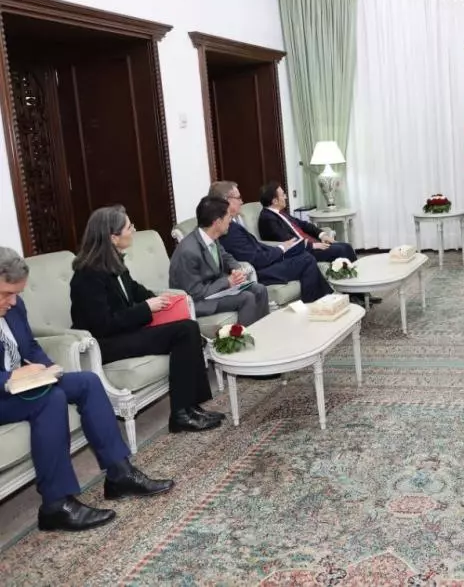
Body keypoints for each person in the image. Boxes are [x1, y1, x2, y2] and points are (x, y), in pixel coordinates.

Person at [0, 247, 173, 532]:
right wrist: (11, 376)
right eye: (7, 294)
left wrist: (48, 369)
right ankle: (55, 505)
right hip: (5, 392)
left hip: (25, 384)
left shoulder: (14, 306)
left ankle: (119, 475)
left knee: (88, 382)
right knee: (51, 399)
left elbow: (29, 346)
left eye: (17, 293)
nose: (13, 301)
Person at [70, 206, 223, 434]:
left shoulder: (113, 262)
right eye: (129, 227)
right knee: (185, 331)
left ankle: (190, 407)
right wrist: (146, 308)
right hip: (105, 343)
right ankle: (181, 414)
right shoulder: (87, 276)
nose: (133, 230)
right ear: (113, 237)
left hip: (124, 332)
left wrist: (159, 299)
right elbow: (104, 324)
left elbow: (135, 290)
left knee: (189, 329)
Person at [208, 181, 333, 303]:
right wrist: (280, 250)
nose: (242, 201)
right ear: (226, 201)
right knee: (306, 259)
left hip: (264, 262)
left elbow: (257, 246)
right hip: (260, 271)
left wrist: (282, 248)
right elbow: (254, 259)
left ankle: (325, 300)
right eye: (238, 198)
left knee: (302, 253)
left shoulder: (233, 223)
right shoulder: (227, 229)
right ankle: (315, 303)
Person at [169, 196, 270, 325]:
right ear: (217, 222)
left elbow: (226, 256)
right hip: (197, 301)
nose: (231, 220)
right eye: (228, 217)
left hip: (215, 291)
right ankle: (244, 336)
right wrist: (227, 281)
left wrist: (237, 269)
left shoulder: (211, 237)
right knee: (246, 298)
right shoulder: (188, 251)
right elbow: (195, 293)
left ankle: (263, 330)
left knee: (260, 289)